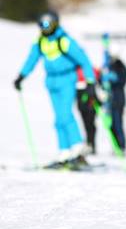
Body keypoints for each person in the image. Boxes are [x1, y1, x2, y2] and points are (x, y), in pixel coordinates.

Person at [14, 11, 97, 168]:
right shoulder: (40, 42)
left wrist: (90, 81)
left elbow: (84, 60)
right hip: (51, 82)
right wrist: (21, 76)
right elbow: (31, 59)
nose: (45, 28)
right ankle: (64, 152)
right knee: (58, 118)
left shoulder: (64, 40)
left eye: (48, 24)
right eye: (42, 25)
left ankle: (78, 149)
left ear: (55, 23)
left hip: (67, 79)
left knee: (65, 115)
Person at [76, 66, 101, 154]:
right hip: (83, 106)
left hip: (92, 105)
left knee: (91, 126)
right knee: (87, 126)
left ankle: (91, 145)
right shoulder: (76, 71)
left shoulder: (90, 70)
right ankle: (89, 144)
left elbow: (96, 88)